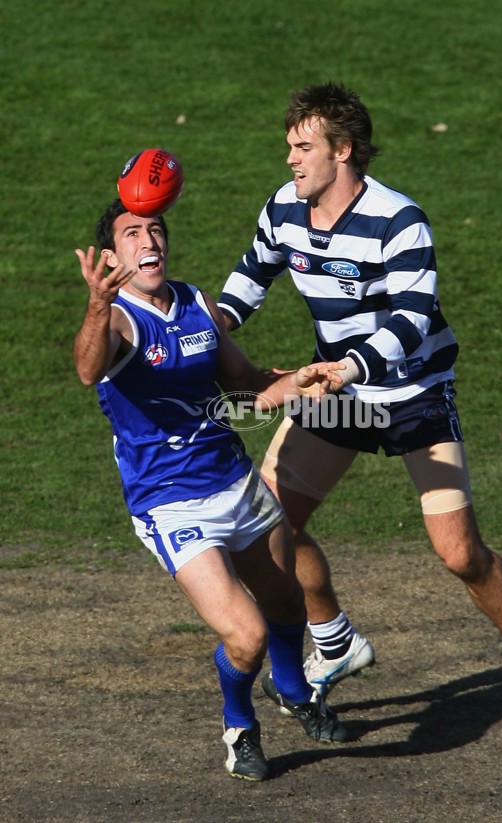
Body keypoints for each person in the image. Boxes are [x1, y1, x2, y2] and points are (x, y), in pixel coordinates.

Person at [217, 82, 502, 736]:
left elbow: (414, 317)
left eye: (304, 148)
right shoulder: (284, 210)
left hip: (411, 397)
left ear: (344, 150)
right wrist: (204, 326)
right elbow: (250, 278)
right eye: (289, 148)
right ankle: (334, 641)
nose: (291, 160)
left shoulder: (398, 219)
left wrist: (351, 366)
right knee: (272, 522)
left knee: (460, 552)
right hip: (342, 395)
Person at [72, 198, 350, 783]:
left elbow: (246, 386)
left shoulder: (196, 303)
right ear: (113, 255)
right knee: (246, 637)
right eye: (131, 233)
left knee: (286, 603)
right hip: (170, 503)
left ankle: (295, 691)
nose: (148, 240)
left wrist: (297, 383)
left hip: (235, 480)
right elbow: (88, 369)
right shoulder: (120, 318)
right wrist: (97, 303)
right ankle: (239, 724)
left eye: (154, 229)